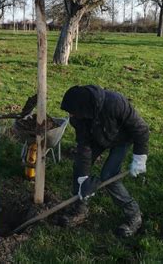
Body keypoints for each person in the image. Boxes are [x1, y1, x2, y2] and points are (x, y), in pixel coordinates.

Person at [60, 85, 149, 237]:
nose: (70, 115)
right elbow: (84, 148)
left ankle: (134, 215)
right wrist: (83, 182)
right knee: (79, 169)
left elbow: (141, 129)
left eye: (73, 112)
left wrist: (140, 157)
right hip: (96, 138)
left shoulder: (115, 103)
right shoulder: (78, 118)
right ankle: (80, 209)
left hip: (121, 139)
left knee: (109, 176)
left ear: (84, 108)